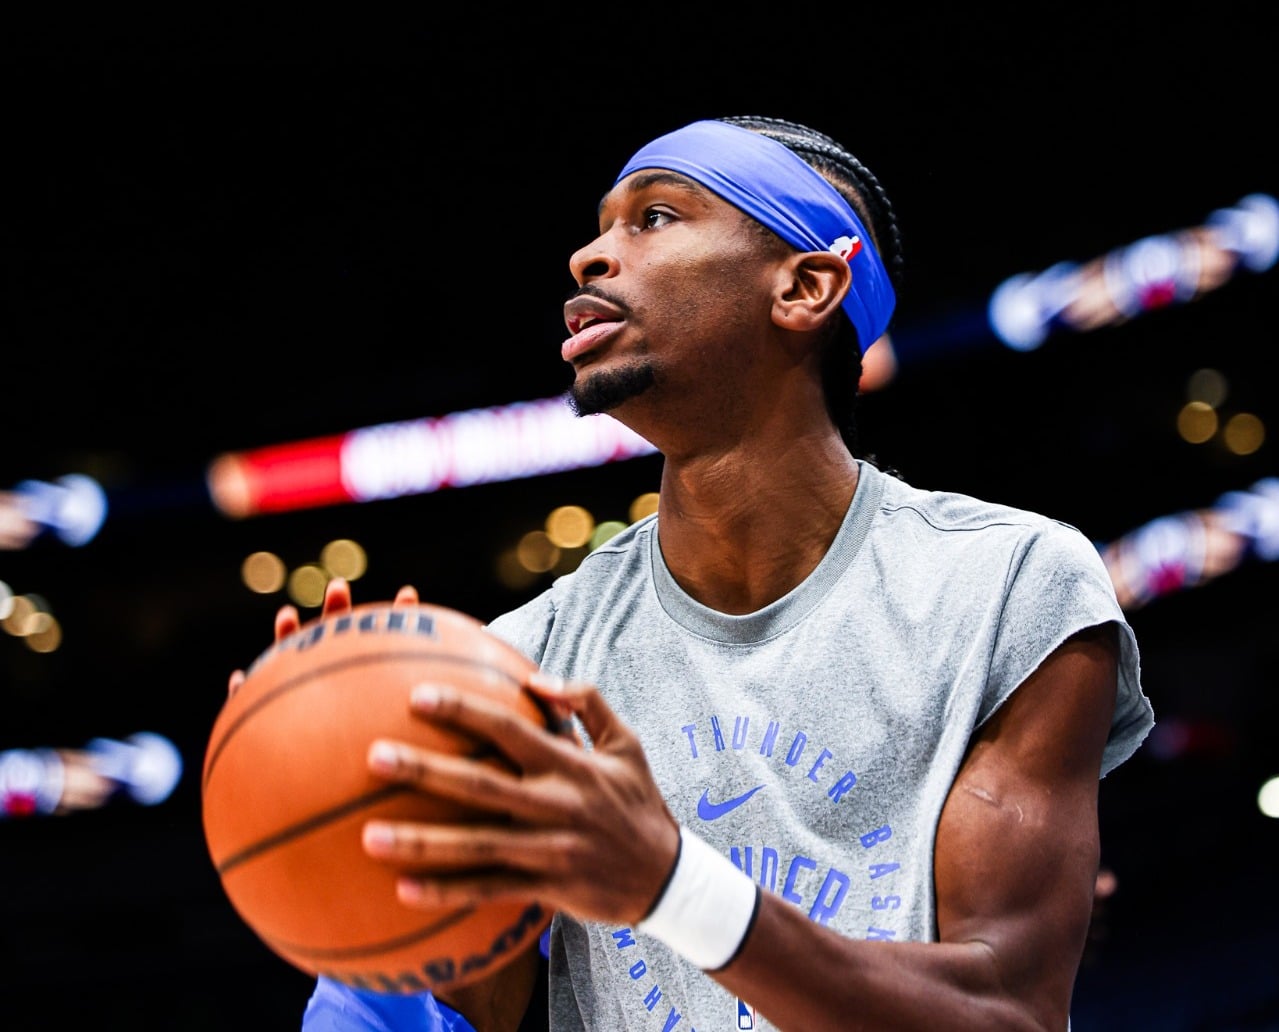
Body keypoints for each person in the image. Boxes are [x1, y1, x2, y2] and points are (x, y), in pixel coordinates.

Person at [231, 115, 1154, 1031]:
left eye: (654, 217)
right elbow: (484, 1007)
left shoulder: (1008, 587)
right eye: (599, 226)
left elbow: (1005, 1012)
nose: (589, 257)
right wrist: (360, 835)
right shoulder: (525, 660)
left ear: (803, 286)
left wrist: (670, 886)